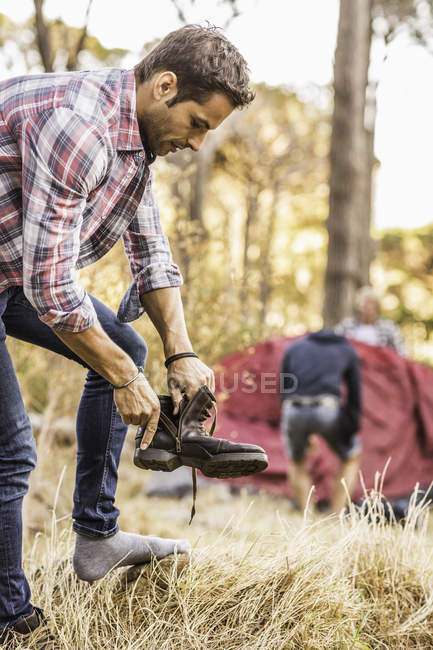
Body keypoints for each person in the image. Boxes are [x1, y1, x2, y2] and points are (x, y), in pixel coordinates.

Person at [0, 25, 260, 648]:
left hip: (11, 273)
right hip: (27, 276)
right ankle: (10, 619)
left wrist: (183, 353)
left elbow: (153, 256)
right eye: (197, 124)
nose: (198, 144)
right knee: (13, 452)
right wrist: (125, 378)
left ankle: (96, 538)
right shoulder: (77, 129)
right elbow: (54, 291)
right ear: (163, 86)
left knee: (132, 348)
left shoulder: (135, 139)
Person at [280, 329, 362, 515]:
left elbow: (283, 388)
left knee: (296, 460)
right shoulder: (347, 349)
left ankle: (307, 517)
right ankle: (335, 517)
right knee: (351, 457)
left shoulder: (295, 347)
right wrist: (352, 427)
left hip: (293, 408)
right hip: (326, 408)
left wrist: (297, 425)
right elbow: (355, 395)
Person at [335, 286, 406, 356]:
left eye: (371, 305)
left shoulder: (389, 327)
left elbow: (402, 351)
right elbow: (334, 345)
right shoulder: (346, 326)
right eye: (365, 306)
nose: (368, 309)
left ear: (377, 307)